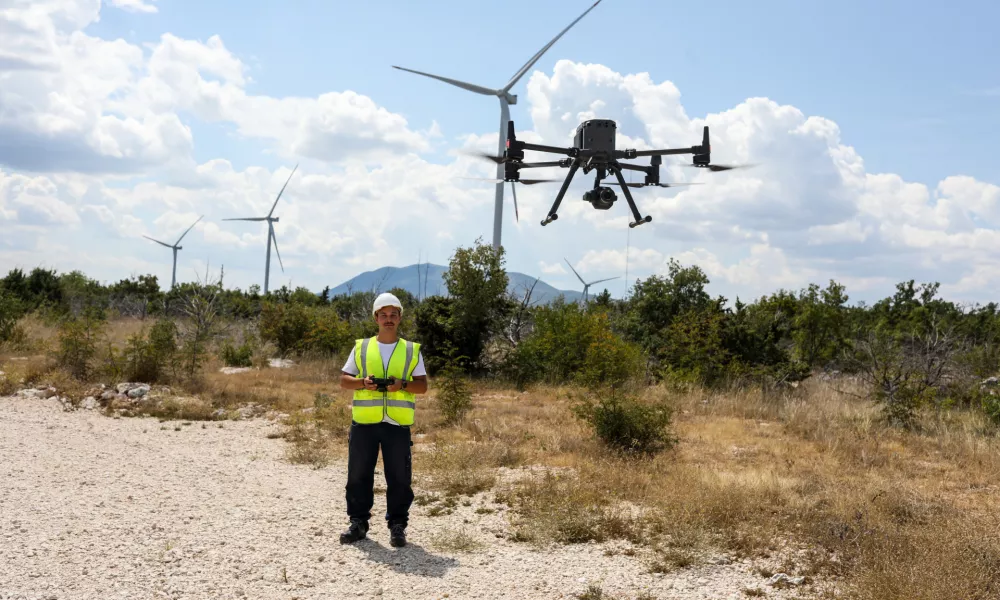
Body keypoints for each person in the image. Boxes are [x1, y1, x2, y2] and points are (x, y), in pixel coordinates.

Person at [338, 292, 428, 547]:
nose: (388, 319)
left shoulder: (411, 350)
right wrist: (362, 382)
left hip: (397, 424)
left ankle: (397, 526)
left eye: (393, 315)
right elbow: (344, 380)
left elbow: (422, 387)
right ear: (376, 318)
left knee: (399, 477)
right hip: (364, 422)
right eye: (384, 315)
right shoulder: (362, 347)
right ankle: (358, 523)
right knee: (358, 475)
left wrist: (402, 385)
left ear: (400, 318)